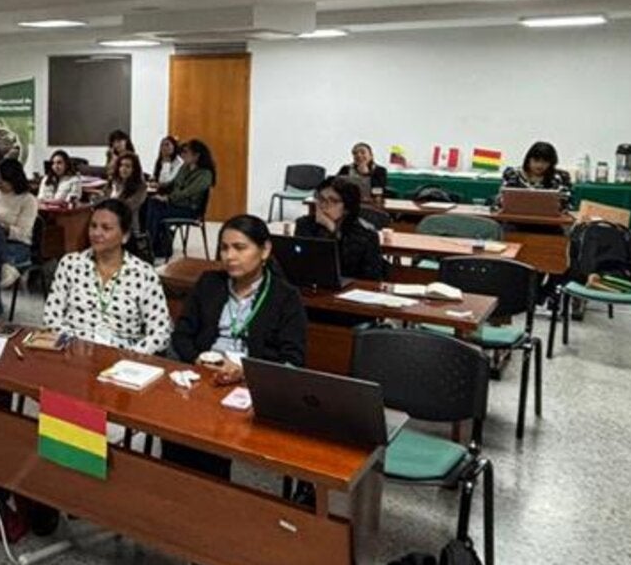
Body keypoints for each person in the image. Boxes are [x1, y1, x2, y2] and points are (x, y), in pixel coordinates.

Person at [166, 214, 307, 478]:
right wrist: (197, 359)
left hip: (250, 385)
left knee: (214, 434)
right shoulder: (210, 283)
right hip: (203, 377)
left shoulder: (285, 296)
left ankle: (211, 496)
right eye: (224, 248)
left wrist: (245, 371)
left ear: (264, 250)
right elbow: (182, 334)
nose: (230, 256)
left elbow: (293, 360)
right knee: (176, 428)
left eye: (240, 248)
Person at [41, 198, 172, 354]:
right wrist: (71, 347)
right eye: (93, 226)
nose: (96, 233)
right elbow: (51, 317)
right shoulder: (70, 264)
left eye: (106, 228)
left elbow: (161, 331)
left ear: (125, 236)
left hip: (122, 355)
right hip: (73, 350)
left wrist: (132, 356)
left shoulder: (143, 274)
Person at [0, 158, 39, 321]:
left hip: (18, 246)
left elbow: (24, 234)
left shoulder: (28, 200)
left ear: (14, 179)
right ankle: (7, 264)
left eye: (3, 180)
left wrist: (3, 229)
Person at [293, 176, 386, 280]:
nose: (323, 205)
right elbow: (305, 264)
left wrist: (333, 230)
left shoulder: (366, 235)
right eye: (321, 198)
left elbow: (370, 278)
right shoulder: (305, 224)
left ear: (347, 207)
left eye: (332, 200)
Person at [144, 139, 216, 260]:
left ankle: (151, 247)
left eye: (186, 152)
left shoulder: (205, 174)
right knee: (150, 203)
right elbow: (173, 183)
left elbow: (188, 192)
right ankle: (154, 246)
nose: (183, 155)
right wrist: (159, 186)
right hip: (176, 204)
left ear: (196, 155)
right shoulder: (185, 167)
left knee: (156, 211)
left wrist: (168, 198)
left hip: (190, 210)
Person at [502, 141, 573, 208]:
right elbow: (502, 201)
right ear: (528, 160)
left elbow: (566, 204)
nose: (540, 165)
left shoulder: (561, 177)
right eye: (536, 160)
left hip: (549, 219)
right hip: (514, 217)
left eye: (545, 162)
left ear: (551, 163)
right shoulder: (513, 175)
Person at [103, 150, 148, 249]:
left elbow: (127, 207)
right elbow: (103, 199)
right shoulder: (113, 182)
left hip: (128, 228)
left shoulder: (141, 187)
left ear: (134, 169)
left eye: (128, 166)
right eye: (121, 165)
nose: (123, 169)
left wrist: (114, 198)